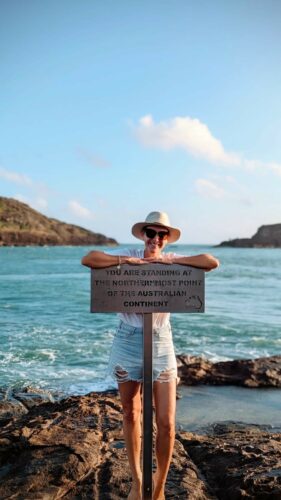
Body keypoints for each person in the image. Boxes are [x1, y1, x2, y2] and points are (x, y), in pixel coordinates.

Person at [81, 211, 219, 500]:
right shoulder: (128, 252)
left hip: (161, 340)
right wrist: (125, 261)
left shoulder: (170, 255)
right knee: (131, 412)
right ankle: (136, 481)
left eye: (161, 235)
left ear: (167, 239)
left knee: (167, 423)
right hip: (127, 338)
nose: (155, 239)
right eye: (151, 233)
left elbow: (211, 262)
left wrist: (168, 261)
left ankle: (158, 487)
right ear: (142, 234)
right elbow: (89, 259)